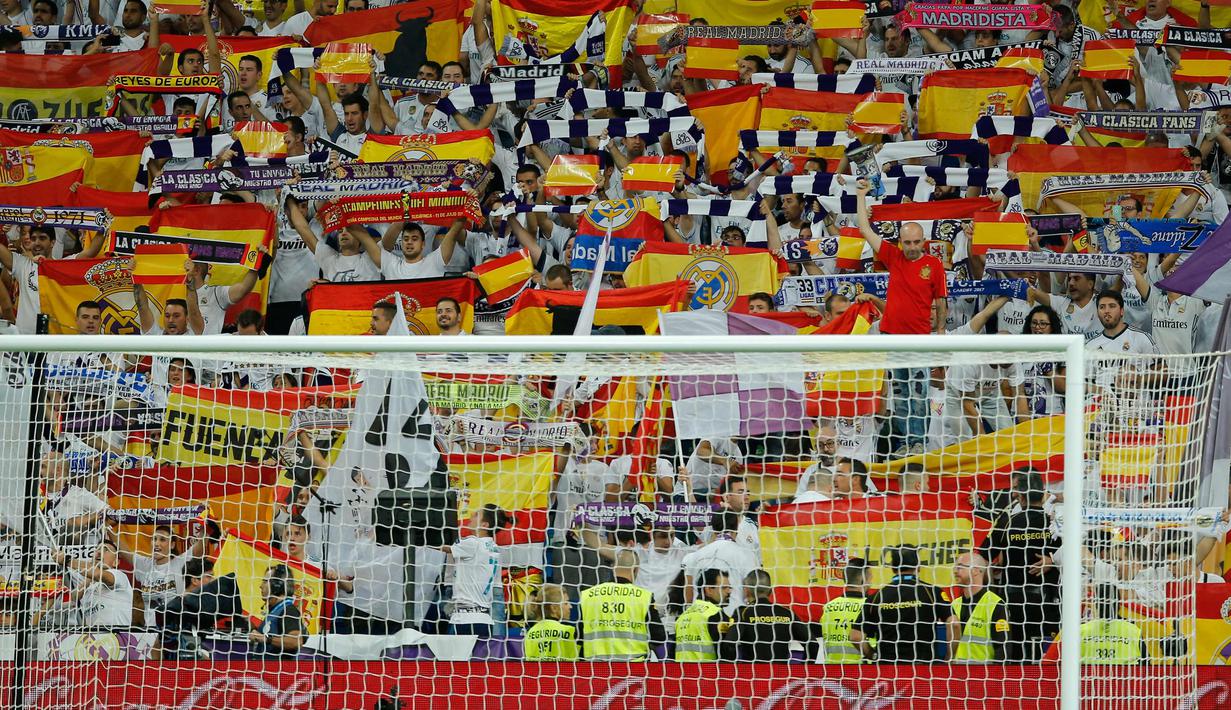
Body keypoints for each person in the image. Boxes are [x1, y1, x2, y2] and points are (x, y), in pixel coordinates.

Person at [854, 180, 947, 454]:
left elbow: (941, 300)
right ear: (900, 242)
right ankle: (905, 443)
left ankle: (918, 443)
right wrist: (860, 195)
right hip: (891, 336)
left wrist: (940, 331)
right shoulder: (893, 257)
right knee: (900, 394)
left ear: (924, 242)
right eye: (907, 242)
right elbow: (863, 229)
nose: (912, 247)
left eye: (916, 242)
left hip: (919, 338)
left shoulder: (934, 264)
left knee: (919, 393)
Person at [979, 470, 1060, 662]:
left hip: (1012, 600)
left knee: (1014, 651)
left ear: (1021, 496)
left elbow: (984, 555)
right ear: (1043, 493)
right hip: (1047, 600)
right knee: (1043, 652)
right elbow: (1074, 553)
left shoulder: (1007, 521)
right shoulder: (1055, 523)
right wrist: (1052, 561)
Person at [856, 546, 950, 662]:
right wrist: (949, 657)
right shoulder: (932, 592)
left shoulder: (876, 597)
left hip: (888, 670)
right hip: (923, 668)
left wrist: (873, 655)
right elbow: (954, 624)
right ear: (918, 566)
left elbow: (856, 636)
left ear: (892, 567)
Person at [579, 548, 665, 661]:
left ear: (613, 567)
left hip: (595, 669)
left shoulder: (588, 595)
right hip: (633, 671)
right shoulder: (644, 597)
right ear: (635, 569)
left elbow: (579, 636)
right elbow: (658, 636)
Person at [442, 504, 507, 638]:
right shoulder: (495, 549)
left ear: (484, 524)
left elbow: (440, 546)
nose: (471, 515)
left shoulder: (472, 543)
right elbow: (497, 589)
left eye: (477, 514)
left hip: (464, 620)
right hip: (484, 620)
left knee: (454, 659)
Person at [727, 569, 810, 662]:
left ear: (746, 591)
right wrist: (805, 669)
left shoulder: (743, 613)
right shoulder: (786, 613)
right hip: (780, 674)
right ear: (770, 591)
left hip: (753, 674)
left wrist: (734, 669)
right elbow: (813, 644)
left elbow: (729, 644)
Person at [947, 552, 1009, 664]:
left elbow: (1003, 650)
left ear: (975, 571)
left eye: (960, 567)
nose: (955, 571)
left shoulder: (995, 604)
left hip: (983, 676)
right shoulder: (955, 604)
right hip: (957, 675)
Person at [673, 568, 735, 661]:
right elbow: (727, 653)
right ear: (709, 590)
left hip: (682, 673)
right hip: (708, 672)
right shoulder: (715, 614)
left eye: (729, 587)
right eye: (723, 587)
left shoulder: (683, 616)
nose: (728, 591)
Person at [248, 564, 304, 658]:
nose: (260, 586)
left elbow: (296, 641)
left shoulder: (288, 610)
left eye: (265, 581)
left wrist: (266, 639)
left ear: (277, 585)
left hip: (278, 671)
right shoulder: (275, 610)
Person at [1080, 585, 1144, 665]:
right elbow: (1145, 665)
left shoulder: (1081, 631)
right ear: (1119, 605)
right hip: (1125, 676)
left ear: (1096, 605)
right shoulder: (1134, 631)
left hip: (1088, 676)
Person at [821, 558, 870, 664]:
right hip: (863, 672)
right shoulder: (870, 606)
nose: (870, 583)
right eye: (870, 577)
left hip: (832, 670)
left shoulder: (828, 607)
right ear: (863, 578)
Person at [523, 584, 579, 661]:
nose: (570, 606)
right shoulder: (570, 630)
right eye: (566, 603)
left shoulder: (529, 633)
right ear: (554, 608)